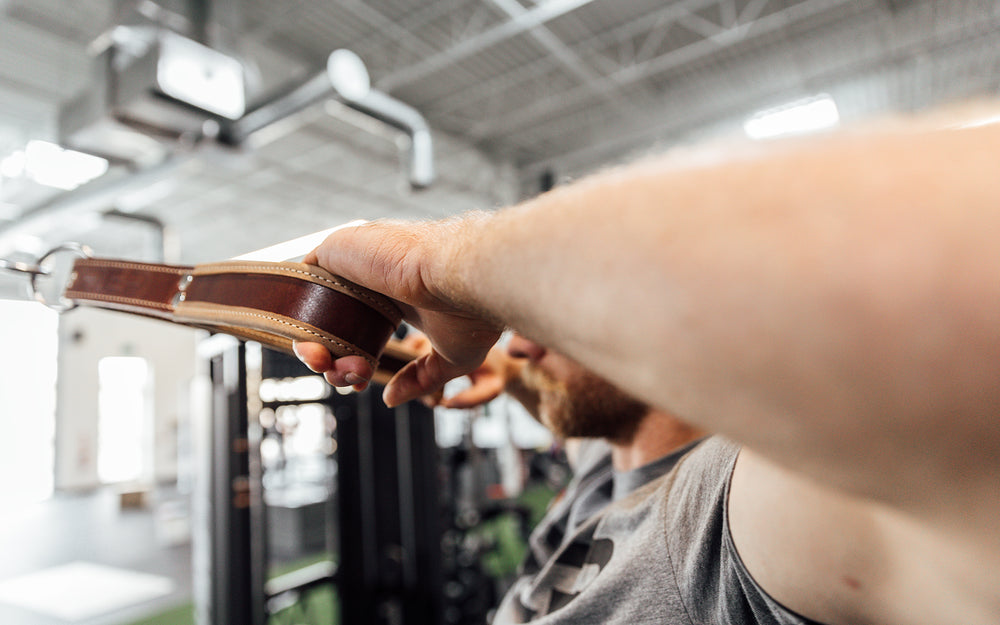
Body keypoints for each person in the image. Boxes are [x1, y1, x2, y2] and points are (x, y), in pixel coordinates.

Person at [292, 109, 1000, 624]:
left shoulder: (724, 520)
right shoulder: (605, 462)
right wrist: (501, 371)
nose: (522, 341)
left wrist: (442, 263)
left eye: (549, 312)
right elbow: (548, 381)